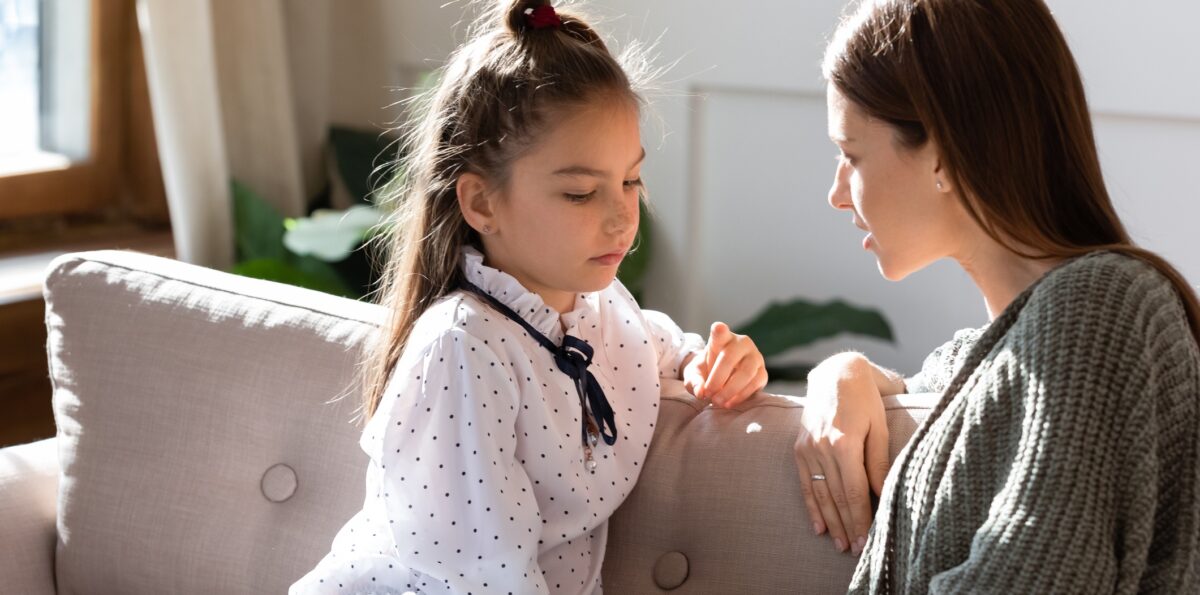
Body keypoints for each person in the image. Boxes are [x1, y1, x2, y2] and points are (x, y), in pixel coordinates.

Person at [291, 2, 767, 593]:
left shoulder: (599, 311)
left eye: (630, 180)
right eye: (579, 193)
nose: (623, 217)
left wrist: (716, 361)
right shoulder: (462, 350)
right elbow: (485, 577)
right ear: (482, 203)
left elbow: (664, 347)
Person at [793, 0, 1200, 592]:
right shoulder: (990, 353)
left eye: (851, 154)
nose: (836, 193)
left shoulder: (1101, 307)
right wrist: (840, 372)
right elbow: (943, 397)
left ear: (941, 153)